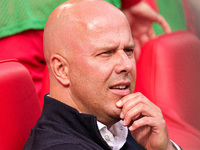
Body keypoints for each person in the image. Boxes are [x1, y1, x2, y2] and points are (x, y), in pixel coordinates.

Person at [23, 0, 180, 149]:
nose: (127, 65)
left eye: (128, 51)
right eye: (106, 53)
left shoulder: (133, 129)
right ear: (62, 69)